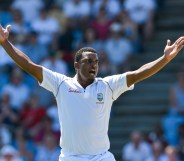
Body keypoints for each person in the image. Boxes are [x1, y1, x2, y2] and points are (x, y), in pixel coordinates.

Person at [0, 24, 184, 161]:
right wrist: (5, 43)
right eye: (88, 62)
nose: (93, 66)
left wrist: (164, 59)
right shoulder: (60, 83)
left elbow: (138, 74)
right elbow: (29, 65)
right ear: (76, 65)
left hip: (101, 157)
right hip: (71, 157)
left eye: (95, 62)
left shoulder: (108, 85)